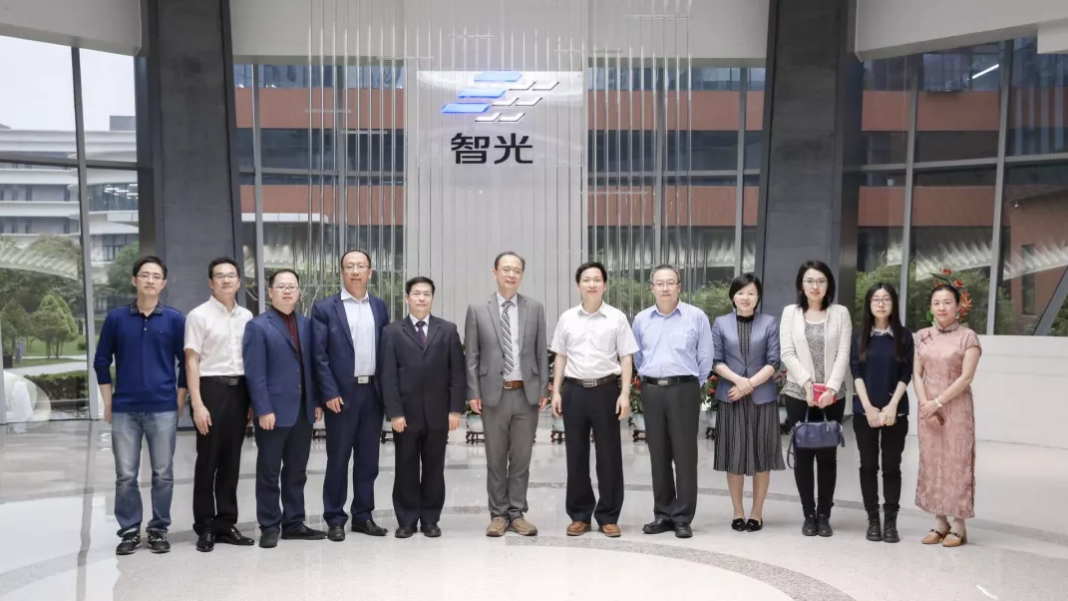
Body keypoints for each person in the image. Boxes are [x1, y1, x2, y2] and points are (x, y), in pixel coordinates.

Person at [94, 256, 187, 556]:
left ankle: (158, 529)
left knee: (163, 473)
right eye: (144, 275)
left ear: (164, 283)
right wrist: (109, 402)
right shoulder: (116, 319)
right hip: (125, 410)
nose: (150, 280)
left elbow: (187, 363)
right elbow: (101, 362)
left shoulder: (175, 319)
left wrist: (179, 399)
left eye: (156, 276)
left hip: (163, 408)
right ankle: (130, 531)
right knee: (125, 475)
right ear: (134, 280)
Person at [550, 261, 639, 538]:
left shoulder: (616, 318)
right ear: (579, 285)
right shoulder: (567, 318)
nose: (592, 284)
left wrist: (625, 394)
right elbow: (560, 356)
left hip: (605, 391)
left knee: (609, 456)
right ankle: (580, 515)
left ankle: (608, 516)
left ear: (605, 285)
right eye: (586, 279)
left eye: (597, 279)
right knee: (575, 455)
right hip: (574, 391)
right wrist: (556, 391)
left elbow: (626, 357)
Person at [464, 252, 549, 537]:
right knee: (496, 458)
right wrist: (473, 392)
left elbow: (541, 351)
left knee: (522, 458)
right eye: (506, 269)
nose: (511, 275)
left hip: (526, 393)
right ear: (495, 273)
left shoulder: (535, 308)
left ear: (521, 275)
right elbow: (472, 356)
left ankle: (517, 513)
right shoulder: (478, 309)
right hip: (493, 395)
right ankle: (498, 514)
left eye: (517, 270)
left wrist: (544, 387)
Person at [311, 249, 390, 541]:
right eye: (349, 266)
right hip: (341, 396)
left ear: (370, 272)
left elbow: (386, 350)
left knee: (368, 460)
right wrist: (328, 392)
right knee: (338, 459)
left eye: (361, 266)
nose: (355, 271)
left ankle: (363, 516)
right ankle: (334, 518)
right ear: (342, 272)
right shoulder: (324, 308)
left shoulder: (379, 307)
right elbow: (319, 356)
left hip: (373, 394)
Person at [243, 269, 326, 548]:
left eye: (292, 286)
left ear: (299, 292)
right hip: (273, 412)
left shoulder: (307, 324)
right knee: (269, 471)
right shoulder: (257, 326)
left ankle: (294, 523)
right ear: (270, 292)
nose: (287, 290)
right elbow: (255, 373)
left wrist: (315, 402)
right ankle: (269, 525)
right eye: (281, 286)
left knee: (297, 471)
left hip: (303, 410)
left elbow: (311, 367)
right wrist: (263, 408)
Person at [631, 264, 713, 539]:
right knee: (658, 454)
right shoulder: (641, 319)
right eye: (659, 283)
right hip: (652, 390)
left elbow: (705, 358)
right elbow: (638, 357)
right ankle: (663, 513)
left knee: (685, 455)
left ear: (679, 286)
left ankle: (682, 517)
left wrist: (690, 386)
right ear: (652, 288)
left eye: (670, 282)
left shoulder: (696, 317)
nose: (665, 288)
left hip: (684, 389)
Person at [381, 276, 466, 538]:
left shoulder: (448, 330)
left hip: (438, 413)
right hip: (405, 415)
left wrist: (455, 409)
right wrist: (395, 412)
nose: (421, 298)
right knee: (405, 467)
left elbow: (457, 373)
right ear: (407, 298)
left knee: (434, 467)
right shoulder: (392, 332)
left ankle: (430, 519)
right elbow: (388, 375)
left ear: (432, 298)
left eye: (426, 294)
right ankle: (406, 520)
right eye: (416, 293)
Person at [185, 257, 255, 552]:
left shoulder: (247, 316)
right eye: (219, 276)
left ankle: (226, 523)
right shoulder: (198, 316)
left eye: (231, 275)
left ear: (239, 281)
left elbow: (250, 360)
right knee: (208, 461)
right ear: (210, 282)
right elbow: (191, 361)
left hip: (239, 391)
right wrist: (197, 404)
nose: (226, 280)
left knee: (231, 461)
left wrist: (251, 400)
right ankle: (205, 526)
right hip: (210, 391)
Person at [779, 259, 852, 537]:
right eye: (809, 280)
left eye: (821, 281)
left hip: (833, 395)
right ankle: (809, 514)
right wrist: (808, 385)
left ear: (828, 284)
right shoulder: (791, 313)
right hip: (799, 393)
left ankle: (824, 515)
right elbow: (787, 353)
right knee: (804, 454)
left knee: (827, 455)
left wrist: (830, 389)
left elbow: (843, 353)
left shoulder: (840, 313)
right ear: (801, 284)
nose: (815, 286)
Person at [711, 273, 783, 533]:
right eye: (740, 292)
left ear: (758, 297)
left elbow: (774, 361)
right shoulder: (720, 323)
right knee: (734, 455)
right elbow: (716, 360)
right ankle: (738, 511)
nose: (745, 297)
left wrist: (749, 384)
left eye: (751, 293)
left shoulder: (769, 323)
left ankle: (756, 513)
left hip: (762, 400)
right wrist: (739, 382)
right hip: (731, 398)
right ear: (733, 296)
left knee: (762, 456)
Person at [914, 284, 981, 548]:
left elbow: (966, 377)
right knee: (932, 463)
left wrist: (938, 402)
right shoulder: (922, 336)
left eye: (947, 302)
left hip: (957, 409)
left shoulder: (968, 337)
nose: (941, 307)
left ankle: (959, 524)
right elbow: (916, 374)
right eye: (936, 303)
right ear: (931, 307)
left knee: (957, 463)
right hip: (927, 410)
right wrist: (925, 405)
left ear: (958, 306)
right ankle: (940, 522)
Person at [850, 282, 913, 544]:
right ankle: (873, 520)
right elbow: (856, 371)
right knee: (868, 465)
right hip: (864, 412)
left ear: (893, 303)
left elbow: (906, 373)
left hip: (895, 413)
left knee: (891, 466)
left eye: (886, 299)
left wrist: (892, 406)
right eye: (876, 299)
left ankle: (890, 523)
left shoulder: (903, 336)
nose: (881, 303)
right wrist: (867, 407)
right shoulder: (859, 335)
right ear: (869, 304)